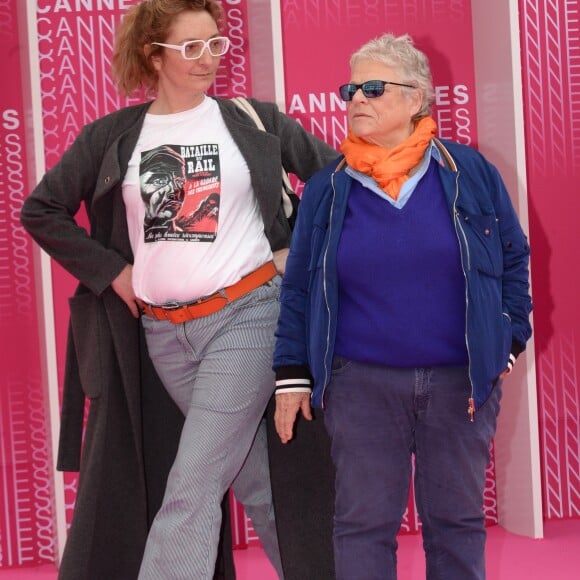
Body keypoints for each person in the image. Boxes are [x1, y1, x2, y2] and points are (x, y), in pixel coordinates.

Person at [20, 0, 337, 578]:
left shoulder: (255, 121)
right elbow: (42, 210)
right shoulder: (114, 137)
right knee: (257, 484)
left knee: (189, 488)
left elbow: (339, 185)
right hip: (164, 336)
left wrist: (298, 255)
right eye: (191, 48)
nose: (208, 59)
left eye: (214, 44)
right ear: (152, 54)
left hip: (248, 318)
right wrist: (113, 272)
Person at [273, 33, 533, 580]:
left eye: (373, 88)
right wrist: (292, 376)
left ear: (417, 99)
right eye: (351, 89)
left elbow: (513, 258)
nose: (356, 100)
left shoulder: (469, 173)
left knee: (457, 522)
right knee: (362, 525)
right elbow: (298, 289)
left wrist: (508, 341)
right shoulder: (327, 188)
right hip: (360, 386)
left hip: (460, 383)